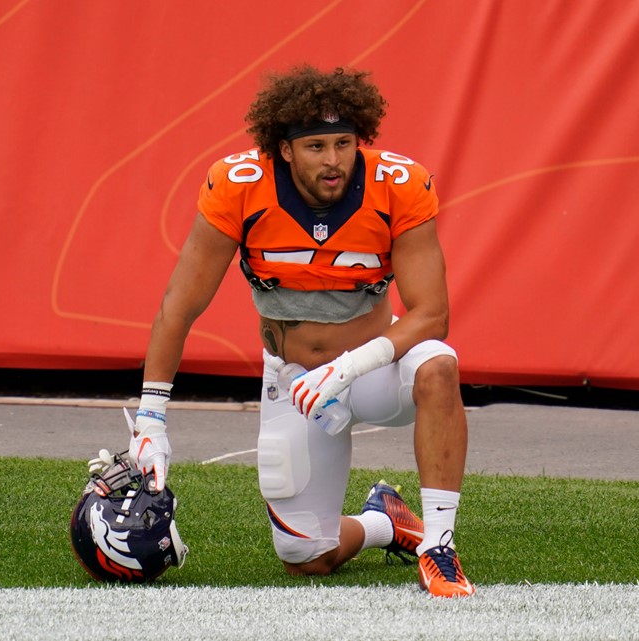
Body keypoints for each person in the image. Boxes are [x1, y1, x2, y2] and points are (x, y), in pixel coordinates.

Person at [128, 65, 474, 597]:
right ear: (284, 151)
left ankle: (440, 547)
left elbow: (433, 314)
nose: (333, 160)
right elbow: (179, 306)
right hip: (297, 381)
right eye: (316, 146)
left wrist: (351, 365)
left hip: (373, 369)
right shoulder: (239, 186)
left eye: (344, 143)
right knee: (305, 557)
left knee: (438, 365)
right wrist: (151, 419)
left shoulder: (398, 184)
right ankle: (388, 522)